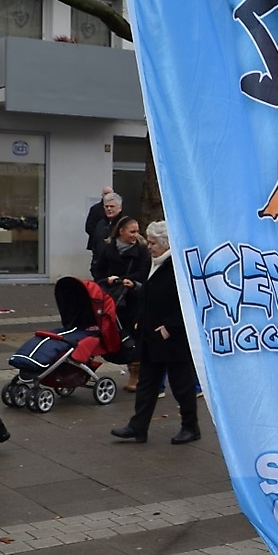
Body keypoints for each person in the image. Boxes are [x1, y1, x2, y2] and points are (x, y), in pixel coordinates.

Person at [111, 221, 200, 445]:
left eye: (152, 243)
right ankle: (138, 427)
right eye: (149, 242)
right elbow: (146, 295)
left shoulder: (177, 266)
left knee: (182, 385)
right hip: (151, 334)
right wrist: (139, 320)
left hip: (172, 338)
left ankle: (190, 427)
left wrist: (171, 326)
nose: (148, 246)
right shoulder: (153, 262)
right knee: (146, 384)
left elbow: (187, 301)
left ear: (165, 244)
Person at [91, 215, 151, 390]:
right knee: (113, 331)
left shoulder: (141, 251)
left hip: (132, 298)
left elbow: (143, 272)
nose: (135, 235)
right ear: (121, 231)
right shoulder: (109, 249)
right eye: (132, 231)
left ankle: (135, 375)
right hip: (112, 297)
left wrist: (126, 280)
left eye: (137, 231)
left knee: (132, 335)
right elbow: (98, 270)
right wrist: (106, 280)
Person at [85, 189, 122, 266]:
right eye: (106, 206)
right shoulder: (100, 224)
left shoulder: (124, 224)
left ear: (119, 208)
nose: (109, 209)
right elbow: (95, 244)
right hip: (99, 266)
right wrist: (94, 265)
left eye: (112, 206)